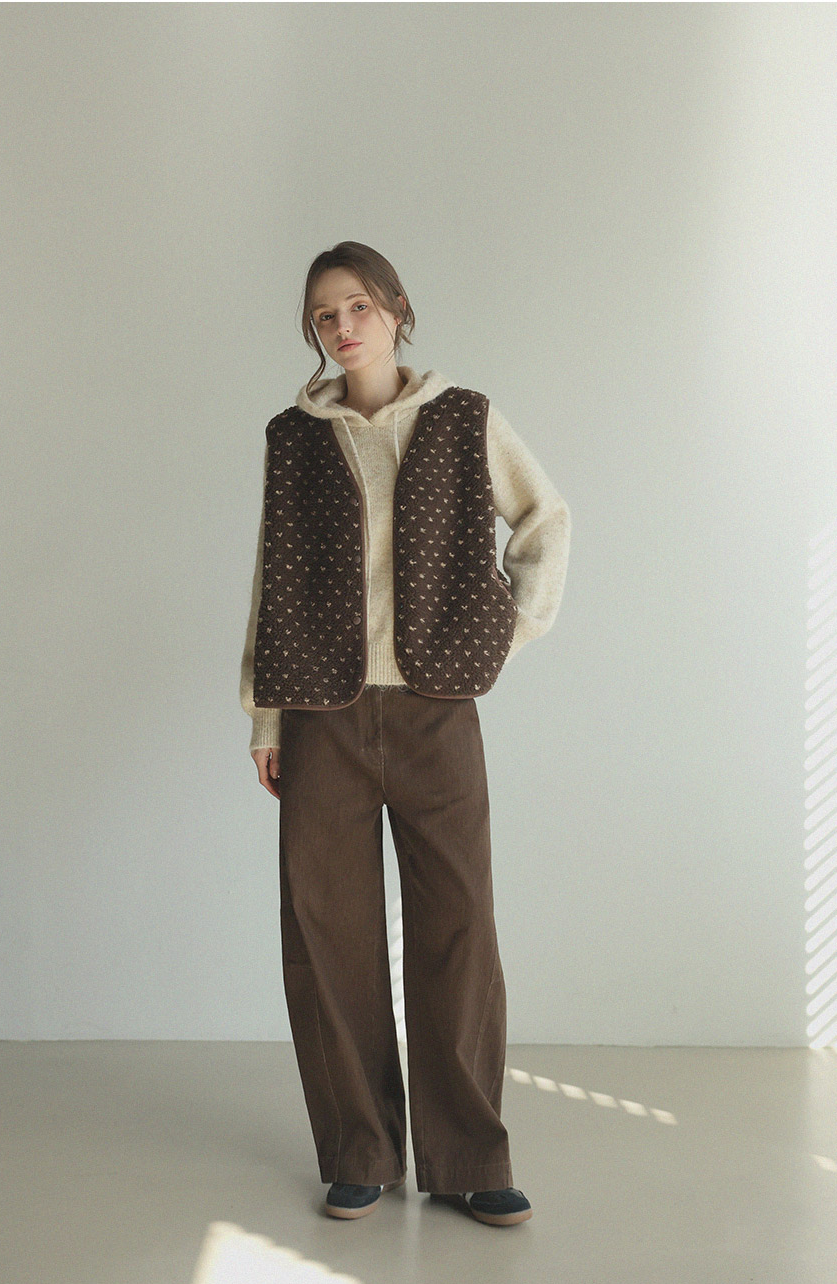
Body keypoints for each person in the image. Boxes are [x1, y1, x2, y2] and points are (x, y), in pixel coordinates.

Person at [240, 241, 571, 1227]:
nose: (342, 327)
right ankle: (361, 1150)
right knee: (327, 933)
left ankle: (469, 1158)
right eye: (323, 315)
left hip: (437, 710)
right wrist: (265, 715)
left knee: (459, 928)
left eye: (357, 306)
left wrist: (504, 631)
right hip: (321, 714)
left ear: (395, 308)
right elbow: (273, 576)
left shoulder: (464, 417)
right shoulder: (293, 437)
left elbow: (544, 518)